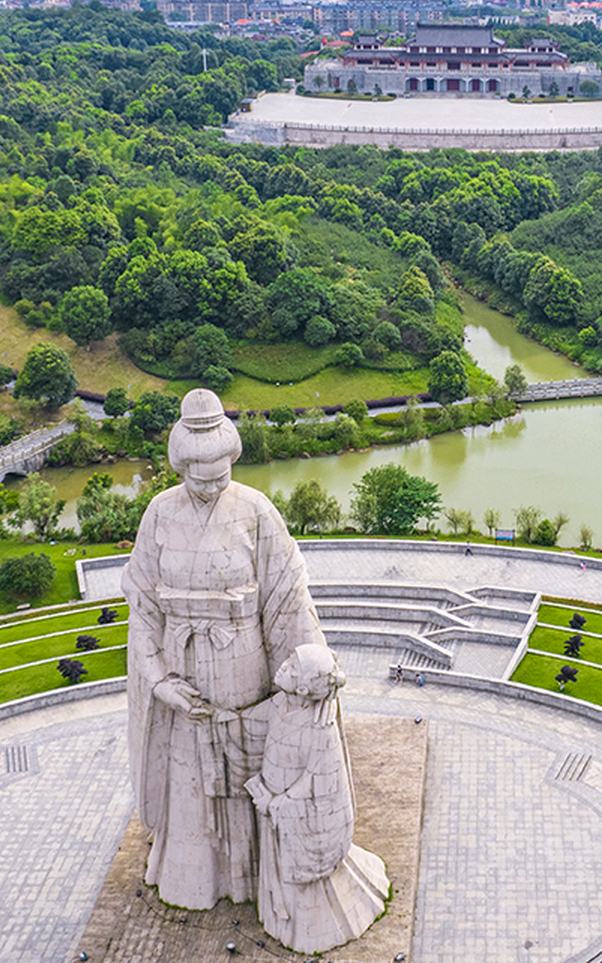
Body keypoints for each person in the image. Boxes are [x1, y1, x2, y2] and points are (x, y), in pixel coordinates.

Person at [124, 389, 326, 911]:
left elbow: (287, 594)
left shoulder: (255, 510)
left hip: (243, 665)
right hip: (182, 667)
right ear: (179, 467)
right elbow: (143, 604)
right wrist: (159, 679)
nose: (212, 486)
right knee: (191, 777)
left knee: (243, 770)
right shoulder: (159, 513)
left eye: (221, 475)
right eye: (199, 477)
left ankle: (253, 878)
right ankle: (192, 875)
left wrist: (307, 672)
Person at [248, 643, 389, 952]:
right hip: (272, 811)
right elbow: (248, 725)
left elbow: (318, 783)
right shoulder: (278, 704)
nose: (283, 665)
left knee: (296, 886)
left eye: (293, 667)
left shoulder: (320, 728)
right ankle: (276, 914)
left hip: (286, 815)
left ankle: (301, 931)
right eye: (289, 660)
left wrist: (278, 804)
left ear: (302, 687)